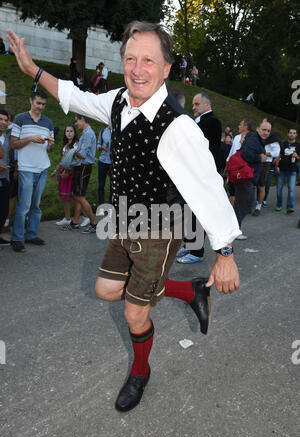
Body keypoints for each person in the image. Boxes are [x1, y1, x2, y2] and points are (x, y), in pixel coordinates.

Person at [7, 22, 241, 412]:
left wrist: (226, 252)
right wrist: (33, 70)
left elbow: (209, 187)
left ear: (166, 68)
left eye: (149, 60)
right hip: (124, 221)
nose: (137, 69)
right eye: (131, 59)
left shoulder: (179, 127)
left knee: (135, 311)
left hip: (161, 229)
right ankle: (190, 290)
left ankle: (140, 371)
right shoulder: (118, 99)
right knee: (105, 290)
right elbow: (77, 97)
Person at [177, 91, 222, 264]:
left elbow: (202, 149)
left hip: (203, 175)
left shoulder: (212, 122)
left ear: (207, 105)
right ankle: (190, 245)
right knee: (190, 212)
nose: (193, 107)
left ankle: (196, 252)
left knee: (197, 214)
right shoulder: (202, 121)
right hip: (194, 174)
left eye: (196, 104)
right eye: (193, 104)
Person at [10, 90, 54, 252]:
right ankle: (16, 238)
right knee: (24, 205)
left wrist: (50, 143)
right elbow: (14, 144)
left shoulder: (48, 122)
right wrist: (29, 138)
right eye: (38, 103)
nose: (41, 107)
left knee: (36, 205)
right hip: (26, 168)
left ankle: (31, 235)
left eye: (43, 104)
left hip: (42, 167)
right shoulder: (20, 119)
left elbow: (50, 149)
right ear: (31, 101)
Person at [233, 120, 270, 234]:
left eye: (268, 131)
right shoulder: (254, 139)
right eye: (264, 130)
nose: (266, 132)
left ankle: (233, 226)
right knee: (243, 204)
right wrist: (260, 158)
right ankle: (234, 229)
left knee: (248, 204)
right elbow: (246, 154)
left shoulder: (257, 140)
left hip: (249, 176)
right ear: (258, 129)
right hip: (245, 176)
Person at [66, 114, 97, 233]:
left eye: (76, 121)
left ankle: (93, 223)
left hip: (84, 166)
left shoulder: (88, 134)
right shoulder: (85, 133)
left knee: (80, 196)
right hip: (80, 166)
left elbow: (82, 154)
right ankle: (75, 222)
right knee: (76, 195)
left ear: (83, 119)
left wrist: (72, 151)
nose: (76, 124)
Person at [50, 125, 79, 226]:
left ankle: (83, 217)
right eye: (67, 131)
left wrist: (68, 172)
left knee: (76, 197)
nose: (69, 133)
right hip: (63, 173)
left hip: (71, 173)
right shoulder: (65, 146)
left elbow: (76, 161)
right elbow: (62, 161)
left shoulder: (76, 145)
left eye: (71, 131)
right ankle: (67, 218)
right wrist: (55, 171)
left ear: (74, 133)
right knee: (65, 197)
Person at [275, 128, 300, 214]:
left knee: (291, 190)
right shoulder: (283, 144)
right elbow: (279, 156)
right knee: (279, 189)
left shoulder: (298, 145)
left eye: (294, 133)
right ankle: (279, 205)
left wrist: (297, 156)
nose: (292, 134)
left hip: (292, 170)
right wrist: (277, 166)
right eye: (290, 133)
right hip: (281, 169)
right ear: (288, 134)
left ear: (296, 135)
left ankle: (290, 207)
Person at [0, 109, 10, 246]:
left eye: (5, 120)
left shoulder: (6, 137)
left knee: (3, 210)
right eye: (0, 119)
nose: (3, 122)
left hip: (5, 178)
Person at [96, 125, 112, 215]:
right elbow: (98, 145)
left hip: (113, 162)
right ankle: (101, 206)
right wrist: (101, 147)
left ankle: (111, 206)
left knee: (112, 185)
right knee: (101, 185)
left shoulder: (117, 130)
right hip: (103, 161)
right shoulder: (103, 131)